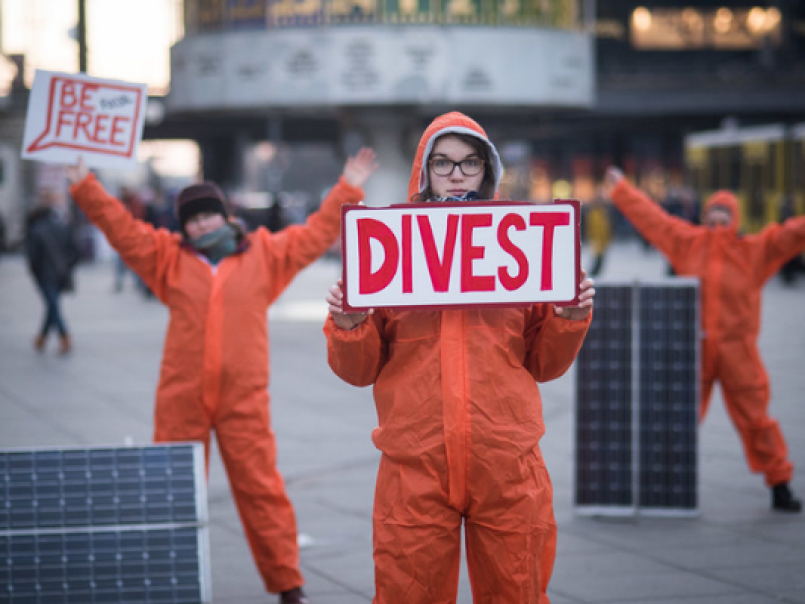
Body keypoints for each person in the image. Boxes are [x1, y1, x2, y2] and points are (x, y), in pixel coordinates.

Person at [67, 148, 378, 604]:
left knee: (262, 491)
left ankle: (289, 585)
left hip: (243, 398)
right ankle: (169, 579)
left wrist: (348, 186)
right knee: (170, 492)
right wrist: (86, 186)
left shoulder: (266, 255)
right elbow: (121, 229)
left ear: (225, 216)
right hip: (182, 396)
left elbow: (316, 233)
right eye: (192, 220)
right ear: (183, 226)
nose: (201, 225)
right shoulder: (164, 257)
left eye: (209, 216)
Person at [324, 112, 595, 604]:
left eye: (469, 163)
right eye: (442, 163)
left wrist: (569, 317)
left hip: (507, 463)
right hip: (415, 467)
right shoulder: (390, 254)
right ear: (423, 172)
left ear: (486, 173)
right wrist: (348, 325)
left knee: (517, 593)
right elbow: (359, 372)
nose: (455, 175)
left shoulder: (525, 250)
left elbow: (545, 365)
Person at [604, 166, 805, 513]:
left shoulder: (754, 251)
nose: (718, 218)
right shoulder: (687, 242)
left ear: (735, 217)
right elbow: (652, 219)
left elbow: (790, 234)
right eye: (714, 211)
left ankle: (780, 483)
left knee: (757, 421)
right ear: (705, 212)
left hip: (738, 353)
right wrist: (621, 189)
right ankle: (662, 483)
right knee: (676, 420)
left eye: (725, 213)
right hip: (693, 351)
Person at [24, 189, 80, 355]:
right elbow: (75, 252)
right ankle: (42, 337)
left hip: (45, 275)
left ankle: (64, 336)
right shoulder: (62, 226)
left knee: (52, 305)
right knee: (52, 305)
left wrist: (36, 274)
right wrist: (67, 266)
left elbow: (32, 258)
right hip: (61, 273)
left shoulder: (36, 230)